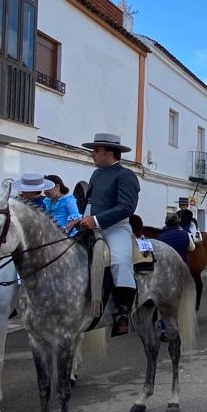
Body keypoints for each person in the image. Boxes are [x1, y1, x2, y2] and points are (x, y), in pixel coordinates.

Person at [78, 132, 140, 338]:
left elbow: (126, 207)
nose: (92, 155)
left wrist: (95, 220)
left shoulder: (126, 176)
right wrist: (79, 218)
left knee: (120, 261)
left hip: (116, 228)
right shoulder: (96, 174)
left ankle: (122, 311)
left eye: (96, 151)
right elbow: (88, 202)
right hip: (90, 225)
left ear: (109, 153)